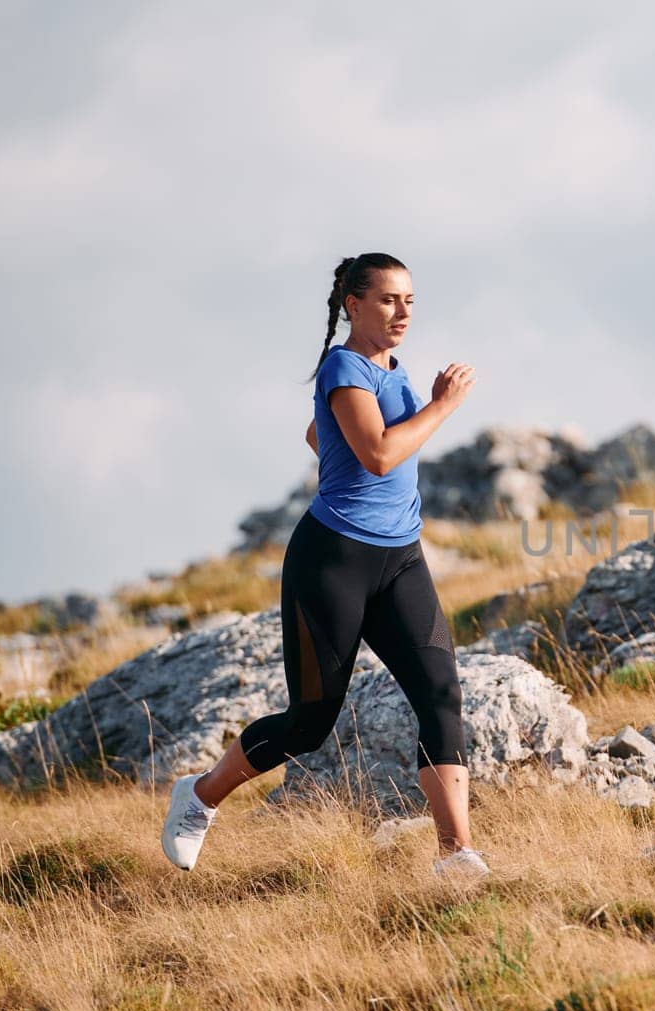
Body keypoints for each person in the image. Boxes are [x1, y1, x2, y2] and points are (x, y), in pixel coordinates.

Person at [160, 252, 485, 878]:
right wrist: (443, 406)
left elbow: (324, 436)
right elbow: (381, 456)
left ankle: (456, 855)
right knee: (310, 724)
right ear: (353, 305)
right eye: (389, 300)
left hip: (401, 558)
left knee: (441, 695)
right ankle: (198, 797)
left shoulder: (393, 369)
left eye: (410, 301)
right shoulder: (343, 365)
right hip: (333, 560)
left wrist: (348, 442)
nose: (402, 312)